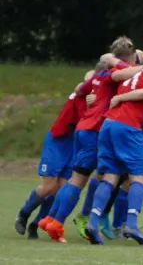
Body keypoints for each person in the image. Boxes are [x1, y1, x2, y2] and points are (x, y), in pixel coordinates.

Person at [39, 38, 141, 243]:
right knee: (81, 180)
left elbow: (80, 89)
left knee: (76, 178)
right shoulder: (115, 74)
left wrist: (93, 94)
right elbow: (130, 72)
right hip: (96, 130)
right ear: (126, 58)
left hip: (83, 128)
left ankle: (49, 218)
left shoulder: (98, 76)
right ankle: (57, 224)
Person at [84, 48, 143, 245]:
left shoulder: (131, 72)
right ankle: (131, 224)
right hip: (128, 126)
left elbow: (112, 64)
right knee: (138, 177)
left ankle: (92, 222)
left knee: (110, 176)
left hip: (108, 124)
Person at [14, 72, 89, 240]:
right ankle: (23, 214)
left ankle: (36, 224)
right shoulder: (80, 95)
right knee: (49, 185)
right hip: (58, 141)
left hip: (74, 145)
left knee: (61, 190)